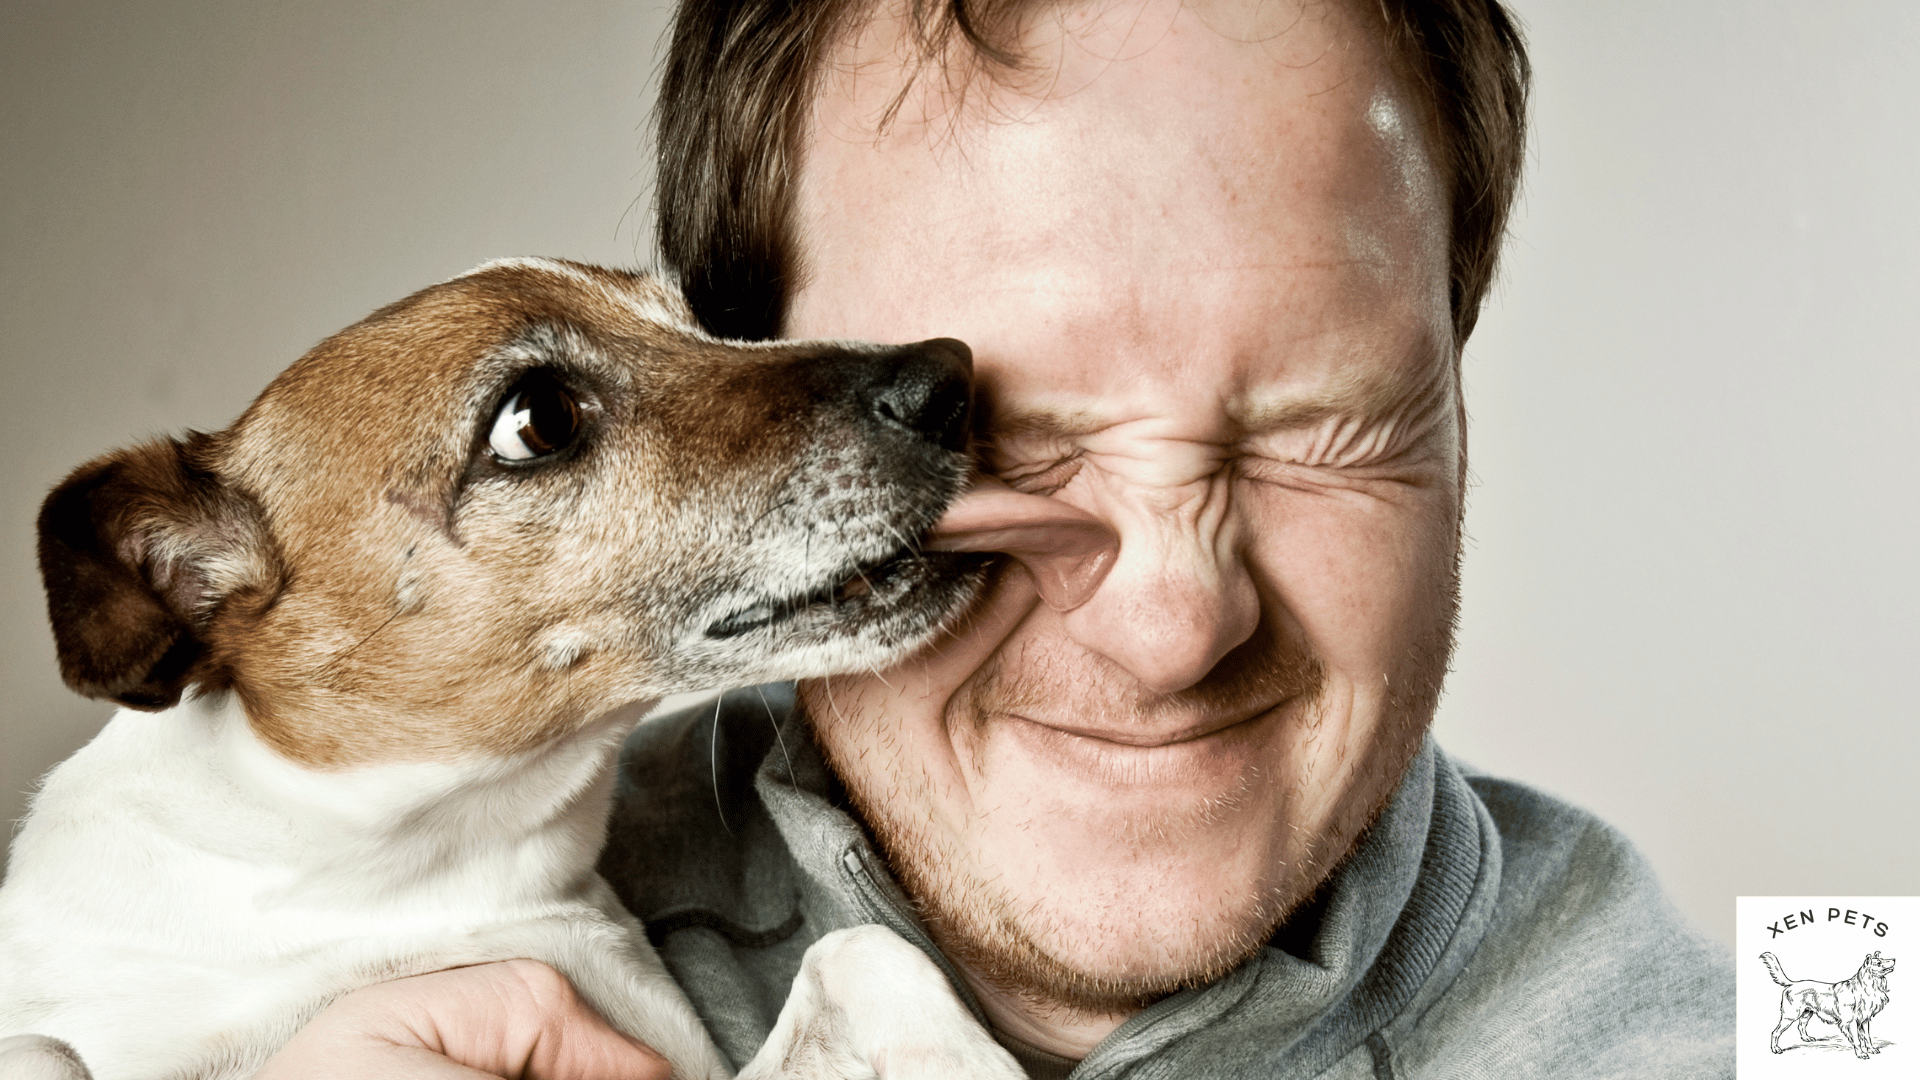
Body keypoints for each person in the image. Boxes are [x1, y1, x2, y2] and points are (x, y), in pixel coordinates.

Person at [263, 0, 1734, 1076]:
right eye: (996, 434)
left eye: (1326, 428)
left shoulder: (1793, 1012)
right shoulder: (358, 946)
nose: (1173, 626)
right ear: (745, 406)